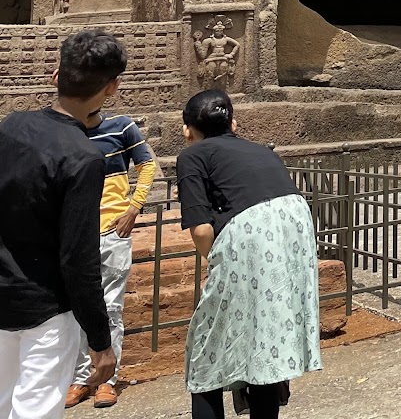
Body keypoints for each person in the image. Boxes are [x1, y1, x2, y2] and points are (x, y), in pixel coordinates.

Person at [0, 30, 123, 419]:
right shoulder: (83, 158)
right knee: (34, 411)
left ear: (56, 76)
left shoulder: (11, 126)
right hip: (46, 310)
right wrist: (100, 341)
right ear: (111, 87)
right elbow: (78, 258)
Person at [177, 90, 321, 419]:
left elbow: (201, 230)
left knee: (207, 349)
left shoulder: (193, 155)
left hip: (250, 231)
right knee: (264, 339)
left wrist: (216, 263)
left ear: (187, 130)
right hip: (295, 227)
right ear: (233, 123)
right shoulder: (261, 151)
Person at [64, 109, 158, 409]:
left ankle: (107, 379)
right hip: (77, 234)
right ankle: (80, 378)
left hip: (113, 230)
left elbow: (147, 165)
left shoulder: (121, 127)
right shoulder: (65, 132)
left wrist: (134, 208)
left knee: (111, 309)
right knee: (75, 310)